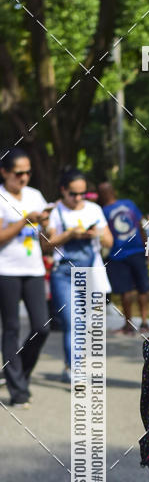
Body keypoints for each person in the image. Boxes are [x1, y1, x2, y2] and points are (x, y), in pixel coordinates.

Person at [46, 169, 113, 381]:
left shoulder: (94, 209)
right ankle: (76, 370)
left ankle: (71, 365)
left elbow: (109, 242)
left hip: (90, 271)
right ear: (63, 190)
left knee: (84, 323)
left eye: (82, 194)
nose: (77, 198)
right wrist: (70, 234)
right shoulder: (54, 211)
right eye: (73, 194)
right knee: (72, 321)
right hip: (63, 273)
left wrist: (98, 233)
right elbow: (47, 244)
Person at [0, 148, 51, 406]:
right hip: (6, 271)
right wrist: (23, 221)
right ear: (5, 172)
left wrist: (45, 224)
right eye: (19, 173)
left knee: (42, 328)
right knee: (10, 328)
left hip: (34, 269)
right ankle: (18, 390)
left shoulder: (35, 195)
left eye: (28, 172)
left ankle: (17, 373)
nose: (24, 178)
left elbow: (47, 238)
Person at [97, 181, 149, 334]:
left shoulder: (103, 211)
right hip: (136, 251)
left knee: (126, 291)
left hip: (118, 255)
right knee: (142, 288)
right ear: (114, 192)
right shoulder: (129, 204)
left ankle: (129, 325)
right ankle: (144, 322)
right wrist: (147, 248)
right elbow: (141, 227)